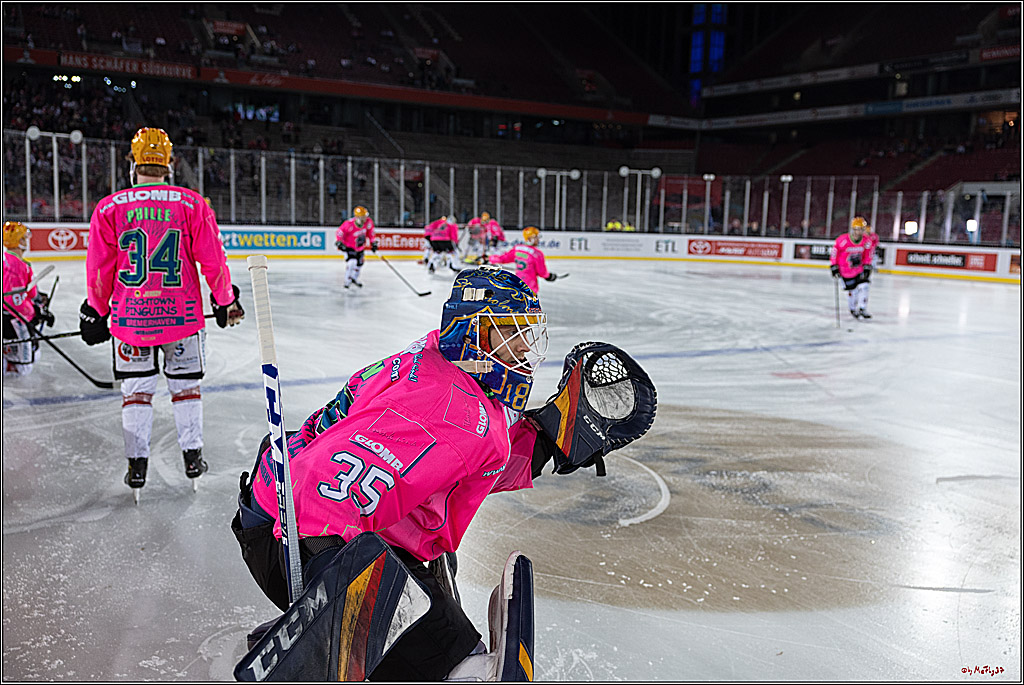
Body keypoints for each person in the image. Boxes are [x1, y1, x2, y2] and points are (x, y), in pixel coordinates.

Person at [232, 266, 564, 681]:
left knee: (434, 553)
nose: (523, 348)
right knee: (425, 615)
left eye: (526, 333)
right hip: (291, 534)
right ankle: (456, 669)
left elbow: (459, 468)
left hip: (278, 495)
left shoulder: (441, 359)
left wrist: (545, 441)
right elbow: (323, 498)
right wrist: (325, 618)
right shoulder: (454, 412)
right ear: (472, 333)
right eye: (510, 332)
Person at [79, 127, 245, 493]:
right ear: (168, 163)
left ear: (133, 163)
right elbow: (213, 261)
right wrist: (223, 299)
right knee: (186, 390)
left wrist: (95, 310)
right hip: (182, 319)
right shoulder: (191, 203)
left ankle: (136, 467)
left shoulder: (108, 208)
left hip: (129, 320)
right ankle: (192, 460)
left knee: (136, 393)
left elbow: (99, 269)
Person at [2, 221, 54, 376]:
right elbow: (19, 299)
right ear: (20, 241)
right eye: (24, 237)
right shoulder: (23, 266)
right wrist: (38, 311)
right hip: (16, 320)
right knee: (27, 365)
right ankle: (13, 366)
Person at [485, 226, 557, 295]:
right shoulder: (537, 254)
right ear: (530, 239)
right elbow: (542, 272)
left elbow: (503, 258)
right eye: (536, 237)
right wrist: (549, 276)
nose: (538, 240)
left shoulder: (517, 249)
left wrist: (489, 258)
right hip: (530, 289)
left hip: (518, 286)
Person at [830, 216, 872, 319]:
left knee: (864, 287)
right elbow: (834, 253)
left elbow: (868, 254)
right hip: (846, 271)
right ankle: (853, 309)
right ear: (853, 229)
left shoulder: (867, 241)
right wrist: (834, 266)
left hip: (859, 269)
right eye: (857, 229)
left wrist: (867, 265)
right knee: (852, 292)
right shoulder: (842, 240)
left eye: (861, 229)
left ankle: (862, 308)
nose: (859, 232)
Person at [335, 205, 377, 288]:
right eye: (363, 216)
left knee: (360, 263)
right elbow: (339, 232)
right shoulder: (348, 224)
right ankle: (347, 280)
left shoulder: (368, 222)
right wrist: (339, 242)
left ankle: (354, 278)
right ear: (358, 217)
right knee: (351, 263)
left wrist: (373, 243)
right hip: (349, 247)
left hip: (360, 247)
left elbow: (371, 233)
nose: (365, 217)